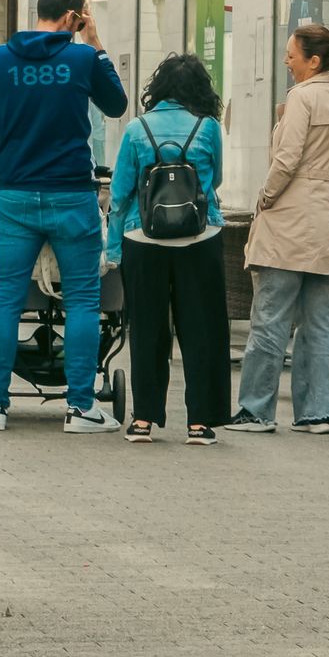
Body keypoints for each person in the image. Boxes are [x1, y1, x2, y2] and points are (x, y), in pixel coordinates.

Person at [0, 0, 128, 434]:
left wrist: (1, 166)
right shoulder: (81, 58)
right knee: (81, 301)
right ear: (74, 16)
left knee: (5, 301)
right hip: (73, 195)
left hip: (15, 196)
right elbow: (116, 105)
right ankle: (80, 408)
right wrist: (94, 42)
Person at [225, 24, 329, 434]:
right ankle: (316, 412)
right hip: (323, 219)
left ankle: (256, 410)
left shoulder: (301, 98)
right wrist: (321, 192)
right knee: (320, 321)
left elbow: (286, 159)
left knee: (270, 317)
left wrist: (265, 197)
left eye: (291, 55)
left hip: (287, 219)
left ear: (313, 60)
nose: (287, 61)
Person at [105, 55, 232, 446]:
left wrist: (113, 250)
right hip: (200, 238)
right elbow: (217, 180)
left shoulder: (137, 129)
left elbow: (120, 193)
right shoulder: (208, 128)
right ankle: (200, 423)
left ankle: (143, 419)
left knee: (147, 328)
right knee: (202, 329)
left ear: (157, 89)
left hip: (143, 239)